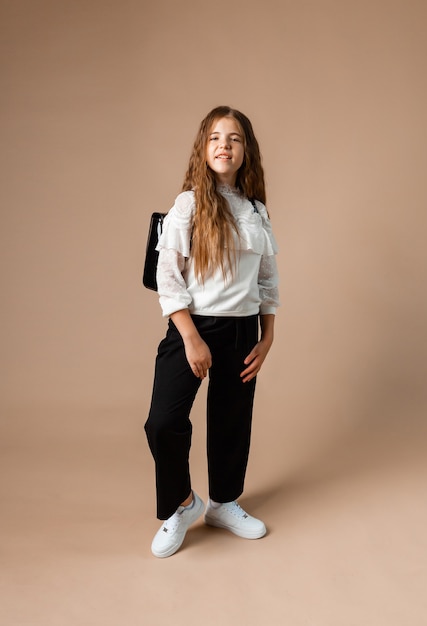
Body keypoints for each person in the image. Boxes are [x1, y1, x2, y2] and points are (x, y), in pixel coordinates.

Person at [144, 105, 280, 558]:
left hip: (244, 332)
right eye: (216, 137)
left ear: (246, 151)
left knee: (231, 423)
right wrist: (190, 336)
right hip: (193, 328)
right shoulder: (189, 204)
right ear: (204, 149)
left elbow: (267, 279)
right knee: (164, 422)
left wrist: (268, 336)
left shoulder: (257, 211)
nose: (225, 144)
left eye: (235, 138)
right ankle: (182, 505)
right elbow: (168, 277)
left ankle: (224, 502)